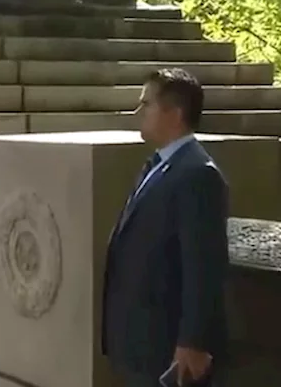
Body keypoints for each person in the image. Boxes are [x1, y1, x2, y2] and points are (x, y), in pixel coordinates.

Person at [102, 68, 229, 387]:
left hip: (167, 349)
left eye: (146, 105)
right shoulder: (158, 165)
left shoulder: (198, 175)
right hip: (137, 343)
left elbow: (203, 265)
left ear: (175, 114)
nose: (136, 113)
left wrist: (193, 341)